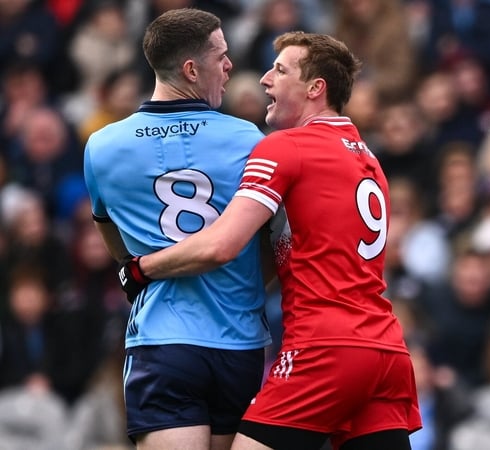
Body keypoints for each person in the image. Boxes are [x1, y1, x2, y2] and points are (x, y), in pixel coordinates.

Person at [121, 31, 422, 450]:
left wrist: (140, 268)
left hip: (324, 348)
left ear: (316, 88)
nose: (264, 79)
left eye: (280, 70)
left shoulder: (286, 147)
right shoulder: (367, 157)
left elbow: (221, 245)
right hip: (386, 350)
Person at [82, 8, 272, 450]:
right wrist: (238, 281)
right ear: (191, 69)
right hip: (237, 341)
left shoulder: (102, 146)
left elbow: (119, 250)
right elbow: (272, 247)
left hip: (161, 342)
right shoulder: (250, 141)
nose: (229, 66)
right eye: (221, 56)